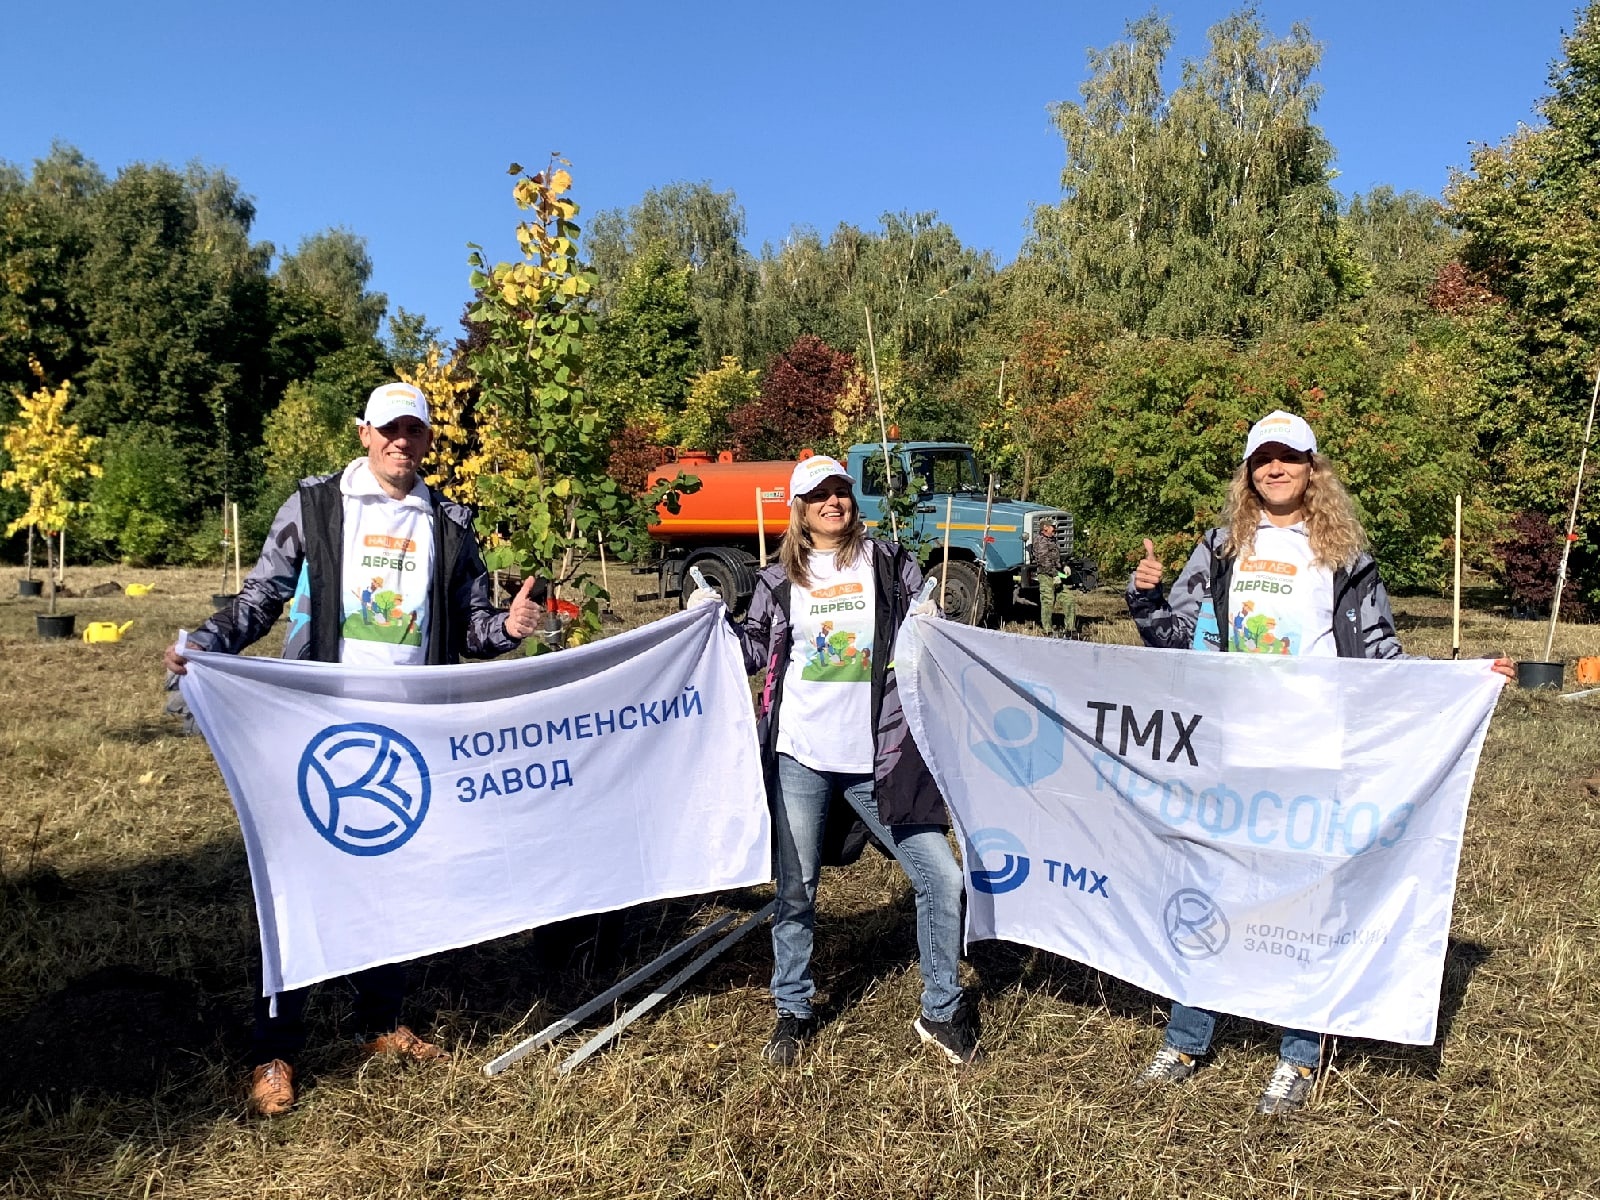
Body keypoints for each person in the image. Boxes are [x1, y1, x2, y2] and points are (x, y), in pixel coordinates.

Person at [164, 381, 542, 1116]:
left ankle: (381, 1020)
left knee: (393, 872)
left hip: (409, 731)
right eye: (389, 428)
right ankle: (275, 1047)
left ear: (427, 440)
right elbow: (262, 597)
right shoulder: (315, 506)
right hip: (320, 726)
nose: (402, 441)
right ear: (364, 432)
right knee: (298, 879)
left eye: (415, 430)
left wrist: (508, 628)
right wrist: (206, 644)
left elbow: (469, 626)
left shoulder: (449, 522)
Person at [1125, 409, 1513, 1115]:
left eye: (1289, 457)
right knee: (1214, 887)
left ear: (1312, 468)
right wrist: (1146, 594)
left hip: (1312, 751)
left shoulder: (1344, 555)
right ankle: (1185, 1040)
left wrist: (1463, 679)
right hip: (1233, 749)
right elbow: (1177, 639)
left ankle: (1298, 1056)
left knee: (1309, 898)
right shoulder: (1221, 546)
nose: (1275, 468)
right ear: (1249, 471)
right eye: (1262, 459)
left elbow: (1379, 654)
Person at [693, 455, 981, 1067]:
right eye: (819, 494)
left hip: (883, 756)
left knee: (942, 877)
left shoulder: (888, 563)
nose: (833, 502)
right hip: (802, 755)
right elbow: (752, 651)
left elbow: (927, 616)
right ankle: (793, 1007)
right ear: (800, 508)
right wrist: (709, 622)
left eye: (841, 491)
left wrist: (932, 617)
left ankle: (940, 1007)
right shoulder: (778, 580)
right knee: (796, 890)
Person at [1030, 519, 1076, 637]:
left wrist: (1064, 566)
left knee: (1069, 599)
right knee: (1048, 602)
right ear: (1045, 528)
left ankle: (1070, 629)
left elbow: (1057, 558)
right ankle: (1047, 630)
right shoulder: (1040, 541)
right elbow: (1044, 562)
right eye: (1053, 527)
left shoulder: (1053, 540)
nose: (1055, 529)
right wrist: (1055, 575)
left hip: (1056, 575)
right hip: (1046, 576)